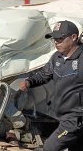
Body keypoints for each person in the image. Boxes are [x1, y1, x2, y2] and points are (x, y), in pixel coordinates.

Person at [19, 20, 83, 151]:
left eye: (60, 38)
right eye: (54, 39)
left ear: (74, 37)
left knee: (49, 147)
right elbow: (44, 75)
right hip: (63, 116)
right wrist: (29, 82)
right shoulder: (56, 58)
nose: (56, 42)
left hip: (76, 119)